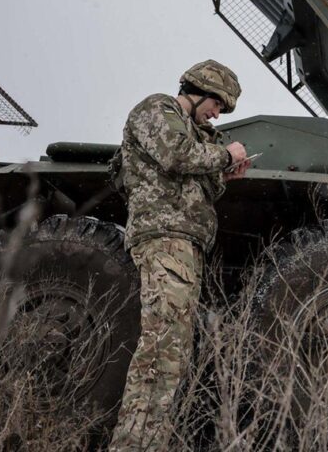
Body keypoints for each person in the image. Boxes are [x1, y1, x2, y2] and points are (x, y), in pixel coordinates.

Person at [109, 59, 250, 451]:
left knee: (173, 349)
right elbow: (174, 155)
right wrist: (226, 155)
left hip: (185, 244)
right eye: (218, 104)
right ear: (200, 89)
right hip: (164, 240)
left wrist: (224, 175)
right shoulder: (157, 109)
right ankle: (134, 444)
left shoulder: (196, 133)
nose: (217, 113)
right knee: (161, 346)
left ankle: (148, 439)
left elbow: (196, 184)